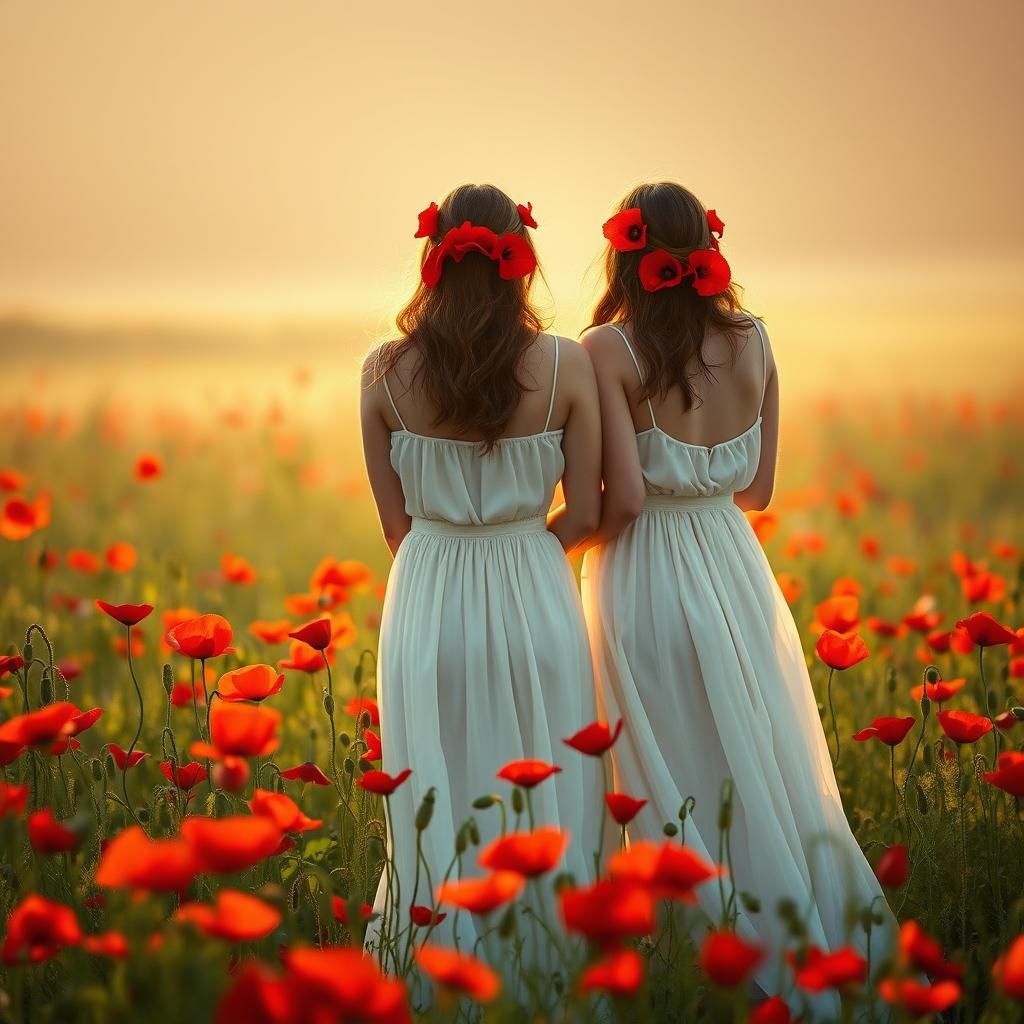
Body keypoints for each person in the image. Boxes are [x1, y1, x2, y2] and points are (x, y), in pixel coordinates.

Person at [579, 181, 896, 1014]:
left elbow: (627, 498)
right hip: (731, 564)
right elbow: (757, 490)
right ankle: (789, 938)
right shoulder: (755, 341)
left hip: (642, 570)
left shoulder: (608, 350)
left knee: (666, 763)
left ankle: (698, 951)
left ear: (627, 252)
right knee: (750, 761)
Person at [360, 184, 603, 999]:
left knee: (439, 790)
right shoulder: (567, 362)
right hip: (532, 586)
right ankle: (547, 974)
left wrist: (453, 547)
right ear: (517, 262)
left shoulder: (382, 372)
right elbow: (594, 507)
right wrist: (533, 549)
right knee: (541, 796)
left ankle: (438, 976)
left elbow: (396, 529)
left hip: (426, 595)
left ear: (434, 260)